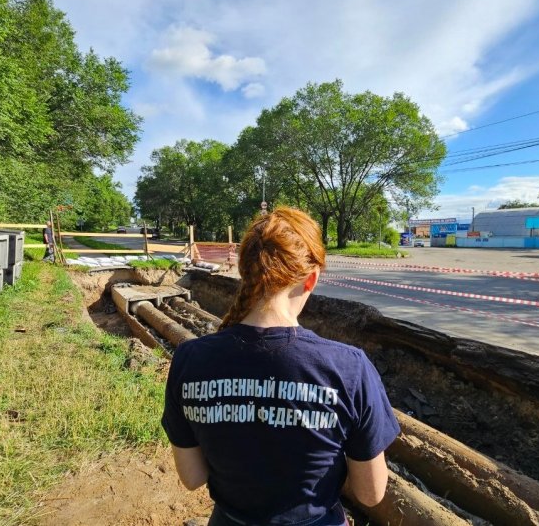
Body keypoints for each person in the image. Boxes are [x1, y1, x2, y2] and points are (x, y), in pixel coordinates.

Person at [162, 207, 400, 525]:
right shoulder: (349, 368)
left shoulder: (190, 359)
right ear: (311, 278)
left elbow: (192, 478)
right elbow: (371, 493)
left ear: (244, 273)